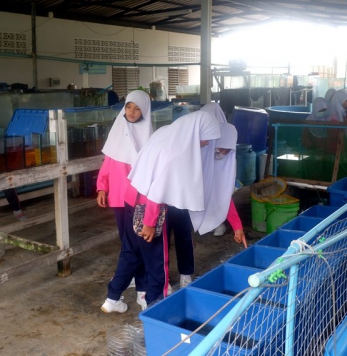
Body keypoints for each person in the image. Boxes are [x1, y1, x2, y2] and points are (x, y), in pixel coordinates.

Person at [101, 111, 221, 313]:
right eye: (207, 138)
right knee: (157, 261)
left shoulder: (165, 133)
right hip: (148, 207)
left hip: (131, 198)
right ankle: (155, 306)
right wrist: (150, 222)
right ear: (197, 132)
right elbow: (157, 189)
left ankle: (112, 298)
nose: (207, 143)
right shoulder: (178, 151)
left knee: (131, 252)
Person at [96, 90, 152, 308]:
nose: (131, 112)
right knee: (129, 243)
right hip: (119, 198)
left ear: (144, 111)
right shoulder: (118, 132)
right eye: (128, 106)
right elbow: (108, 163)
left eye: (137, 108)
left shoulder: (149, 138)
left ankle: (138, 290)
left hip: (141, 201)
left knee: (138, 244)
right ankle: (137, 285)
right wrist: (102, 188)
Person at [191, 122, 248, 247]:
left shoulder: (225, 166)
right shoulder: (197, 160)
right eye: (220, 148)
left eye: (227, 150)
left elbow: (224, 197)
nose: (222, 153)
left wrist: (237, 226)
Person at [200, 103, 230, 237]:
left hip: (219, 171)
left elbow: (224, 152)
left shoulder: (226, 131)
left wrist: (216, 153)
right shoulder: (203, 130)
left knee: (218, 196)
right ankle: (208, 223)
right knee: (206, 195)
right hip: (206, 169)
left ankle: (219, 224)